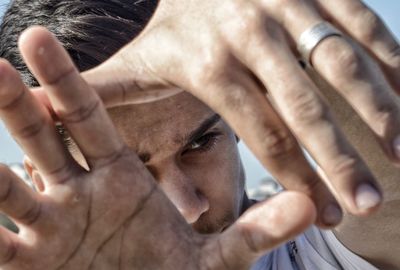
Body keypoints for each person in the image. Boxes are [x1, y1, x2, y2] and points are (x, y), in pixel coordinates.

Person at [0, 0, 398, 269]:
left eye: (199, 143)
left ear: (240, 122)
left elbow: (390, 193)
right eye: (128, 170)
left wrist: (284, 30)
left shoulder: (311, 249)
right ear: (41, 178)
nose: (188, 207)